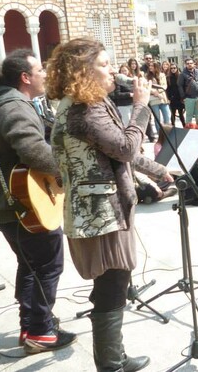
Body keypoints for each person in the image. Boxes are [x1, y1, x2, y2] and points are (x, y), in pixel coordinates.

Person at [47, 39, 170, 370]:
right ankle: (111, 365)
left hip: (107, 210)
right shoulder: (82, 112)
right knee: (113, 283)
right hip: (100, 214)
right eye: (103, 64)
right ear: (83, 72)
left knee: (113, 283)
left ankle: (114, 357)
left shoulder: (93, 104)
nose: (112, 69)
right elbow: (128, 148)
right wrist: (142, 106)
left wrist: (160, 171)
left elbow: (120, 155)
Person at [0, 49, 77, 353]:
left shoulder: (0, 105)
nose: (45, 75)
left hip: (6, 205)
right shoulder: (16, 109)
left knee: (31, 265)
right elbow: (35, 153)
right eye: (40, 71)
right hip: (22, 207)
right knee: (48, 265)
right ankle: (40, 332)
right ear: (25, 77)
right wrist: (67, 173)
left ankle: (31, 324)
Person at [178, 57, 198, 124]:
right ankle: (188, 130)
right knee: (189, 115)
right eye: (188, 63)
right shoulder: (182, 74)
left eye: (191, 63)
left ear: (194, 64)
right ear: (185, 64)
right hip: (189, 98)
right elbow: (180, 86)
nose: (189, 64)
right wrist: (183, 97)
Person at [148, 60, 171, 134]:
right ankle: (160, 134)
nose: (150, 67)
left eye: (152, 66)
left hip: (163, 98)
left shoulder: (162, 75)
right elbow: (147, 87)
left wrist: (158, 91)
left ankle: (167, 132)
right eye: (150, 66)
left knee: (167, 116)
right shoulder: (147, 76)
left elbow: (165, 86)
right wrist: (156, 93)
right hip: (154, 99)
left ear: (156, 67)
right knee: (157, 118)